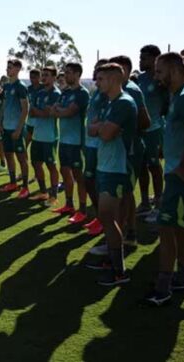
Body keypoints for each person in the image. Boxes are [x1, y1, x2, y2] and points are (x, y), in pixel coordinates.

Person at [144, 52, 184, 307]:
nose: (156, 76)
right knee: (181, 226)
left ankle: (164, 286)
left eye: (160, 71)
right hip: (176, 171)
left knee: (167, 228)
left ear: (173, 70)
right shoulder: (177, 96)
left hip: (181, 174)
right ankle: (182, 277)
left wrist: (181, 165)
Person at [86, 63, 137, 286]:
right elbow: (91, 128)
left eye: (101, 79)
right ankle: (112, 261)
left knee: (108, 216)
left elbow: (105, 133)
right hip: (105, 166)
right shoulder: (110, 103)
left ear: (115, 79)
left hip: (117, 168)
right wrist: (100, 127)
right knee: (108, 217)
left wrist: (101, 127)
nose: (97, 83)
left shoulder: (124, 103)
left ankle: (119, 271)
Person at [108, 55, 150, 245]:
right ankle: (127, 232)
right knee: (124, 193)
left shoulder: (131, 91)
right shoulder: (115, 92)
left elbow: (145, 121)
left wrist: (124, 128)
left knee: (125, 194)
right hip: (121, 150)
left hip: (130, 150)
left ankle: (125, 234)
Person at [51, 62, 89, 216]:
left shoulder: (82, 93)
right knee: (65, 172)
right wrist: (62, 110)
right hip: (64, 140)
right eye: (65, 72)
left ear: (77, 74)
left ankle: (83, 209)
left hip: (76, 142)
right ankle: (69, 204)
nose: (65, 75)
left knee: (79, 176)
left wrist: (61, 111)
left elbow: (69, 112)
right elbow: (54, 111)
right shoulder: (64, 93)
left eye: (68, 72)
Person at [135, 45, 168, 222]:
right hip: (140, 130)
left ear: (155, 59)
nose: (141, 60)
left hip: (155, 130)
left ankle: (159, 203)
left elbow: (167, 106)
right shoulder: (140, 79)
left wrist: (163, 133)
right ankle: (145, 202)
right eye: (140, 57)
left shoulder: (160, 80)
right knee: (141, 167)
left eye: (144, 58)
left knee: (154, 166)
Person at [83, 59, 109, 235]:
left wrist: (96, 124)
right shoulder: (96, 93)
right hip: (89, 143)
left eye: (99, 71)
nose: (95, 73)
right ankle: (100, 216)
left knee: (98, 183)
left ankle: (104, 220)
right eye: (95, 69)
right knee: (89, 181)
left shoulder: (107, 95)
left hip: (99, 145)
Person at [28, 66, 61, 204]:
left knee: (51, 165)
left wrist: (40, 112)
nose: (44, 77)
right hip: (37, 135)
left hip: (49, 137)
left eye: (47, 75)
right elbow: (31, 112)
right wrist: (42, 112)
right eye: (43, 75)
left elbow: (51, 114)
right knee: (36, 163)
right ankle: (43, 192)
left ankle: (54, 195)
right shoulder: (39, 93)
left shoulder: (56, 94)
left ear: (54, 77)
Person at [0, 59, 30, 198]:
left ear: (17, 69)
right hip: (6, 128)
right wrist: (0, 123)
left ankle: (25, 187)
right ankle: (12, 183)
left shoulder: (21, 86)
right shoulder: (6, 87)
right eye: (7, 67)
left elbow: (25, 109)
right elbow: (4, 106)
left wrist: (18, 129)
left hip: (17, 129)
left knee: (21, 158)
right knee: (9, 155)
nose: (7, 69)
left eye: (10, 67)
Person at [26, 69, 43, 149]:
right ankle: (25, 161)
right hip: (29, 122)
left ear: (39, 77)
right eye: (31, 77)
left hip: (40, 123)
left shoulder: (44, 89)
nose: (32, 79)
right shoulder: (28, 89)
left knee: (38, 147)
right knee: (24, 145)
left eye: (34, 77)